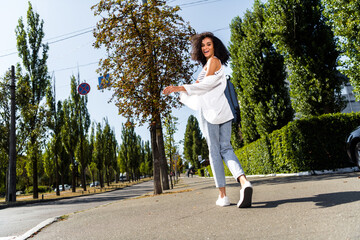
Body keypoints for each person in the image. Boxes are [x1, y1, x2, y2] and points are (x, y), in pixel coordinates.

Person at [163, 32, 253, 208]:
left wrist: (178, 88)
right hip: (224, 111)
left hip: (210, 114)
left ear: (215, 46)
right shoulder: (207, 68)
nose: (205, 48)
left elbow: (204, 86)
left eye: (209, 44)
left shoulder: (213, 61)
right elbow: (199, 88)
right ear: (199, 49)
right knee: (226, 149)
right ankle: (244, 182)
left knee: (214, 152)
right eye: (203, 45)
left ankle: (223, 196)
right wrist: (186, 91)